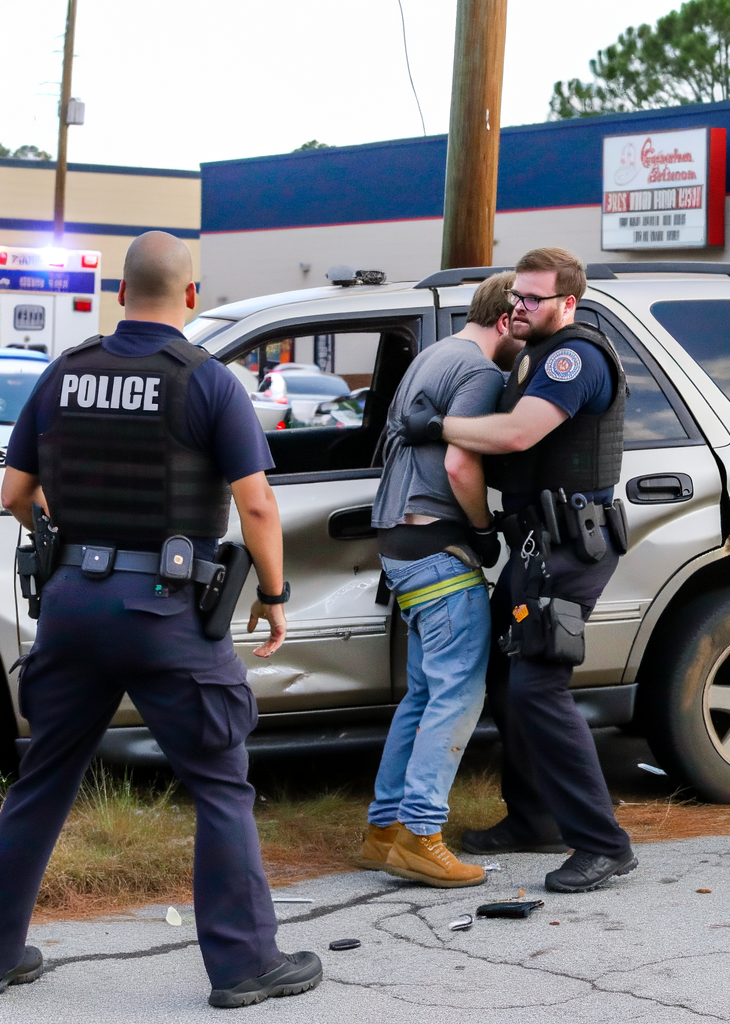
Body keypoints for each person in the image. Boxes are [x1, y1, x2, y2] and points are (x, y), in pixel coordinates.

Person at [0, 232, 321, 1008]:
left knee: (42, 778)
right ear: (189, 296)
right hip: (165, 611)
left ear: (118, 293)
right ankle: (246, 964)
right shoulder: (206, 382)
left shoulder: (65, 373)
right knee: (217, 782)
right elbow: (255, 504)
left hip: (73, 606)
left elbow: (13, 492)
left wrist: (72, 538)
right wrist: (273, 597)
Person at [404, 247, 637, 894]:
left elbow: (515, 436)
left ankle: (602, 842)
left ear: (568, 301)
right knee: (506, 678)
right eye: (516, 297)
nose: (519, 307)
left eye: (533, 299)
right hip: (537, 542)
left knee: (539, 687)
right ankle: (534, 817)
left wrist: (437, 426)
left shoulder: (573, 358)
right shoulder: (537, 351)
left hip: (570, 546)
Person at [358, 271, 519, 887]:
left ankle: (385, 832)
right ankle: (424, 835)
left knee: (423, 695)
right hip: (439, 549)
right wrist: (482, 529)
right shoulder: (480, 373)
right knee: (457, 696)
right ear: (505, 320)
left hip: (399, 546)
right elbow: (459, 459)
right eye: (521, 319)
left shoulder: (432, 355)